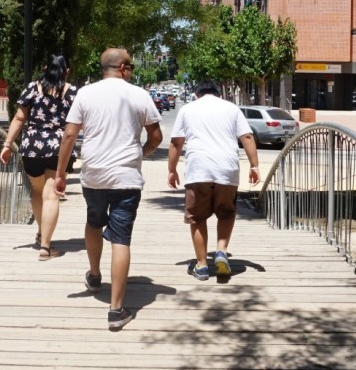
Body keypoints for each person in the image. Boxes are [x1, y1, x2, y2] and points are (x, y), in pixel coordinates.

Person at [55, 48, 162, 330]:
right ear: (123, 68)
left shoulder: (85, 94)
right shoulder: (139, 94)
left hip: (94, 176)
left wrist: (60, 174)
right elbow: (156, 137)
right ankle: (116, 310)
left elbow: (69, 134)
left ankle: (93, 274)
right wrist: (142, 153)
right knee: (121, 239)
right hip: (126, 178)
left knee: (93, 222)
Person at [167, 81, 260, 280]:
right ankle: (221, 251)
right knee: (226, 213)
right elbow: (247, 137)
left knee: (198, 217)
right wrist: (254, 166)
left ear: (197, 95)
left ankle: (201, 265)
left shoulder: (188, 109)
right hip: (227, 168)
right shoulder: (232, 108)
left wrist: (172, 170)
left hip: (198, 169)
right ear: (219, 94)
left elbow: (176, 142)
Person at [0, 54, 76, 260]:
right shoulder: (73, 92)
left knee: (37, 192)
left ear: (45, 68)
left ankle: (41, 233)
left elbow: (19, 117)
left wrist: (7, 144)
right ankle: (45, 246)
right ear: (66, 71)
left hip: (32, 146)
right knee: (52, 195)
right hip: (59, 147)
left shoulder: (33, 88)